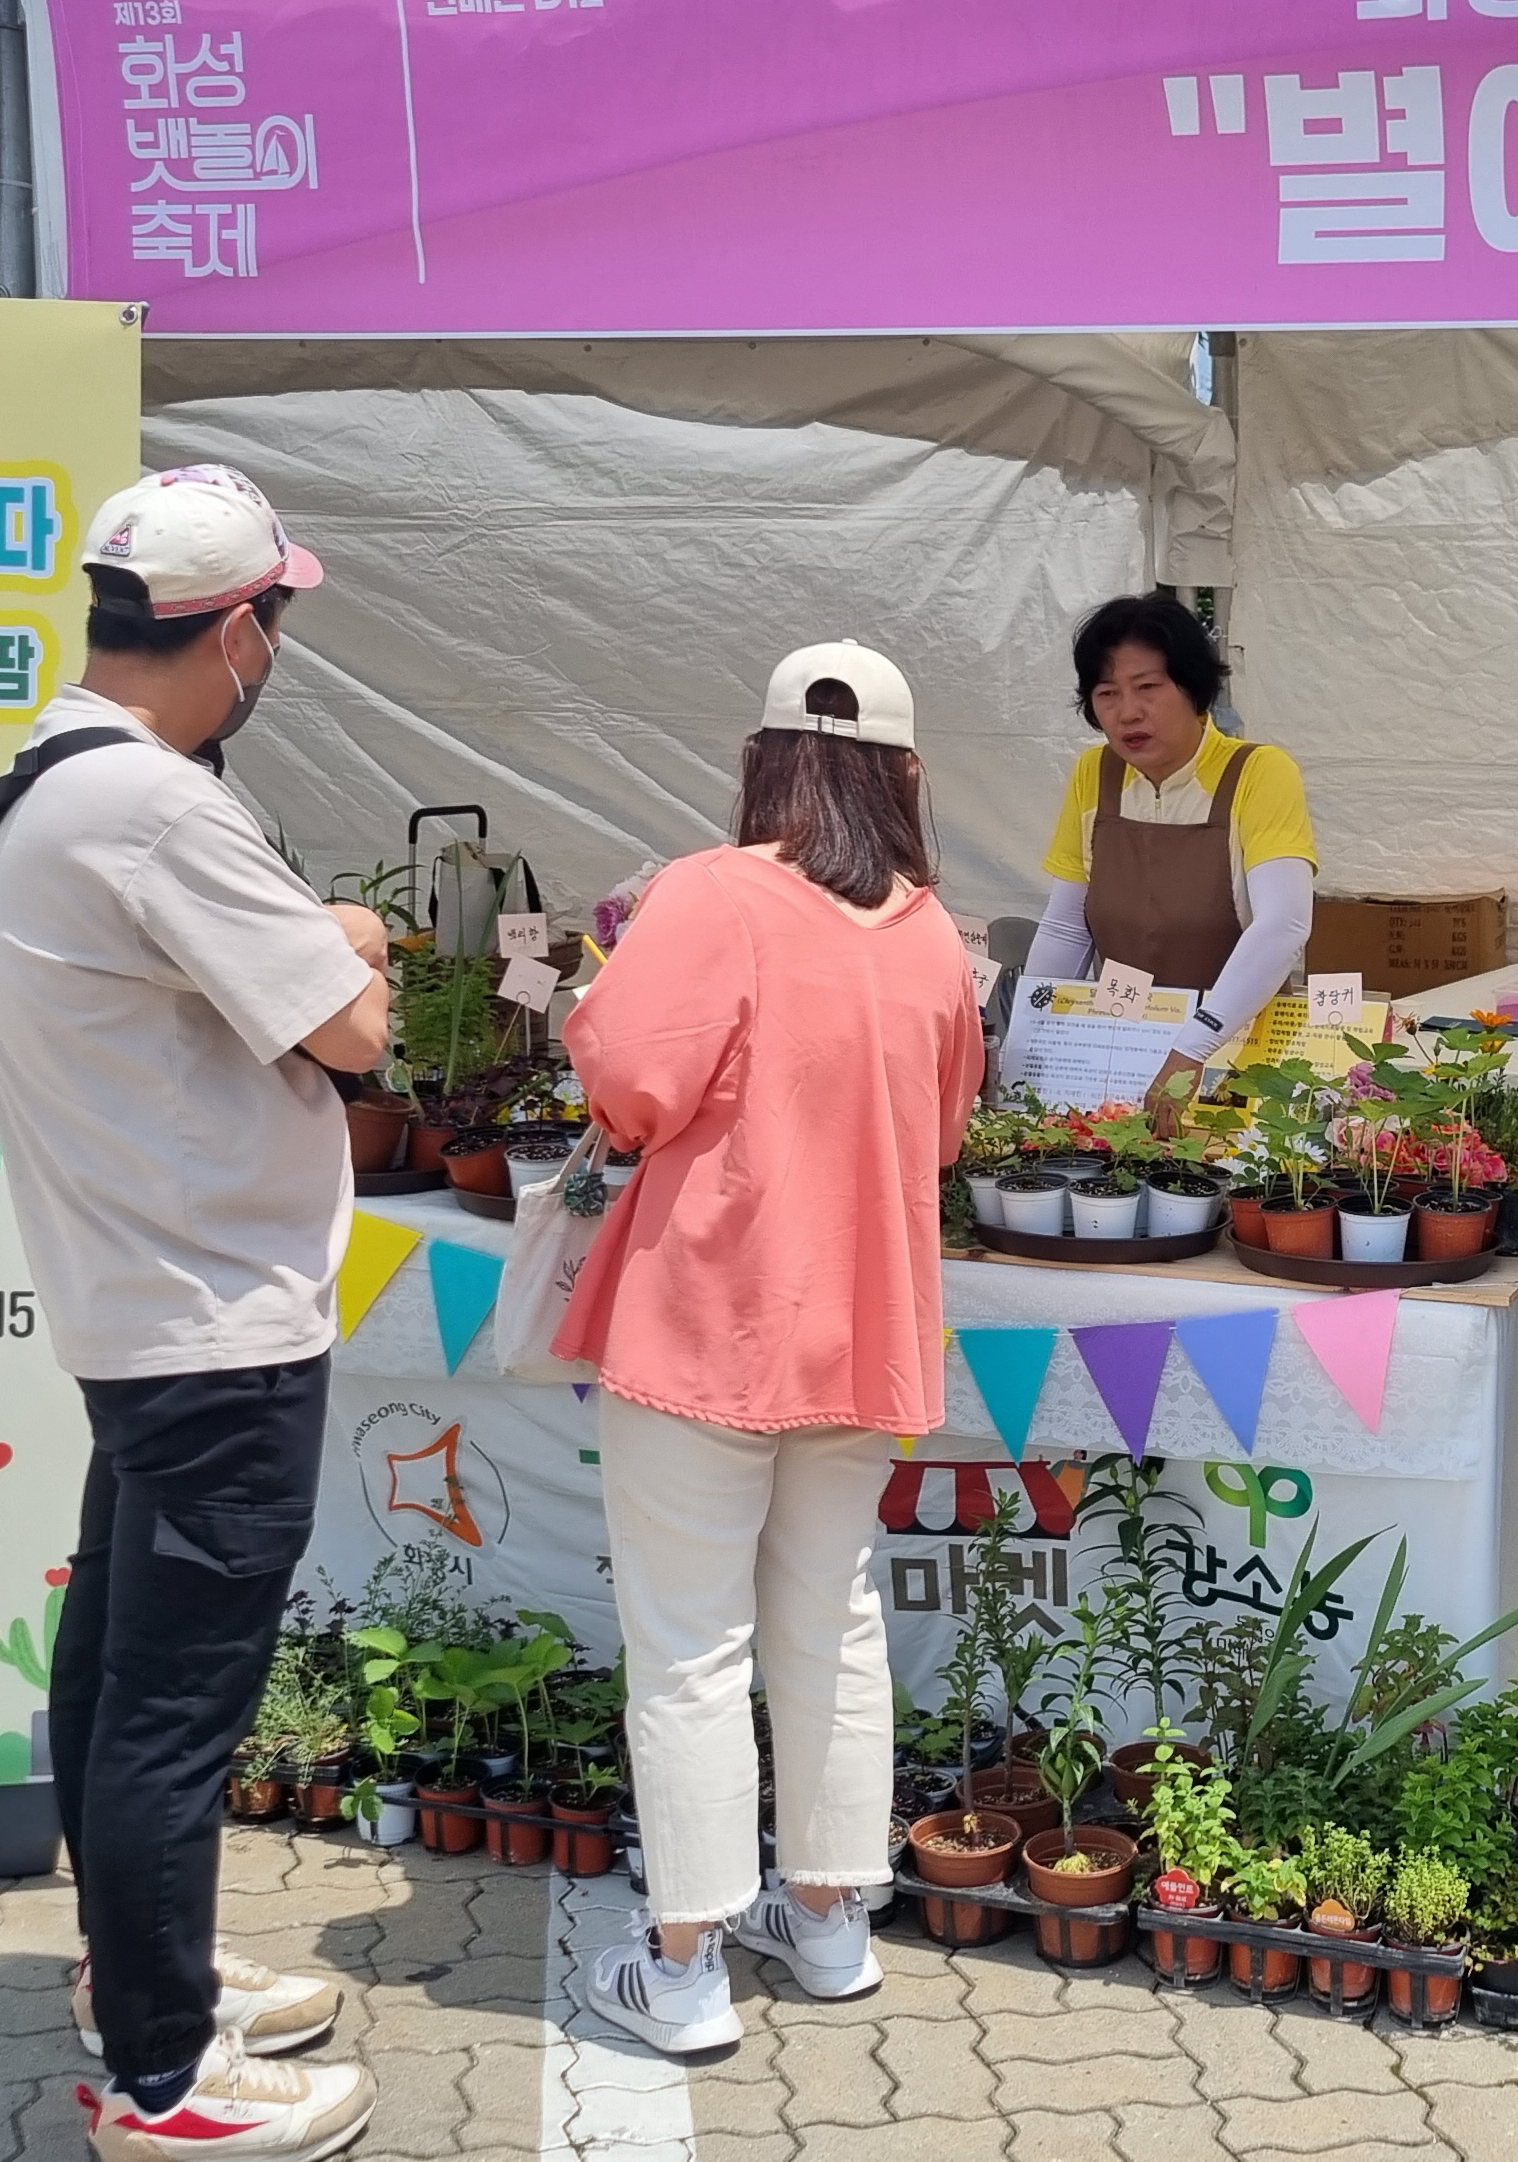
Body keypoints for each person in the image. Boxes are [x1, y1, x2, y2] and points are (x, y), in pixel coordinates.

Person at [0, 466, 384, 2162]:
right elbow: (351, 1024)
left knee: (114, 1664)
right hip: (213, 1316)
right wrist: (344, 928)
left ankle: (134, 1968)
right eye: (272, 623)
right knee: (171, 1702)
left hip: (144, 1302)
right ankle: (166, 2077)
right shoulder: (155, 807)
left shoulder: (45, 777)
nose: (272, 655)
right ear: (230, 633)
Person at [554, 642, 982, 2054]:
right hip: (861, 1327)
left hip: (706, 1316)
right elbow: (948, 1124)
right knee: (832, 1621)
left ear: (763, 761)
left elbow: (624, 1080)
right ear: (904, 777)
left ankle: (680, 1966)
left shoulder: (711, 893)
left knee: (687, 1649)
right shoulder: (929, 931)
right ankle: (829, 1924)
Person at [1020, 594, 1315, 1122]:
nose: (1127, 712)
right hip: (1120, 1048)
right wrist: (1027, 1037)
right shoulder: (1095, 775)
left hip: (1238, 1052)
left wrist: (1194, 1046)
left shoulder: (1260, 772)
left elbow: (1283, 925)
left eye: (1148, 688)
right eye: (1106, 693)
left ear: (1193, 688)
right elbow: (1067, 926)